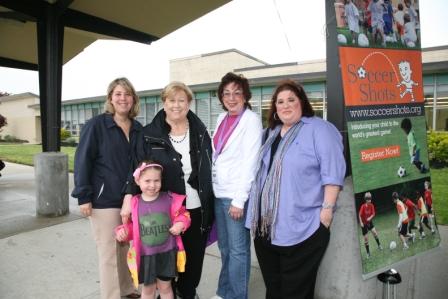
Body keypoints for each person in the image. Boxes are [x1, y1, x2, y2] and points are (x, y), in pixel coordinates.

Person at [246, 79, 346, 299]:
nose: (285, 105)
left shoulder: (319, 130)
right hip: (266, 231)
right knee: (273, 289)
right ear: (274, 108)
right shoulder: (269, 134)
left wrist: (326, 214)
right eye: (280, 101)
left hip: (303, 229)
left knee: (296, 292)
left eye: (291, 99)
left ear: (302, 101)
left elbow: (333, 173)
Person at [122, 81, 215, 299]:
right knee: (162, 260)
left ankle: (187, 291)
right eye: (171, 100)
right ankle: (167, 292)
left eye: (181, 100)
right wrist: (128, 196)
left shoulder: (200, 131)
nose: (176, 105)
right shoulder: (148, 134)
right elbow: (136, 169)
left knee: (193, 259)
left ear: (189, 103)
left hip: (196, 207)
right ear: (163, 103)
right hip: (161, 211)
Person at [71, 77, 142, 299]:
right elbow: (82, 160)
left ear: (133, 99)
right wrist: (84, 196)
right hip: (104, 200)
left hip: (130, 199)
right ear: (110, 98)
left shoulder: (138, 128)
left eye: (127, 94)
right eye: (118, 94)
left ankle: (127, 289)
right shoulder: (97, 125)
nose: (123, 98)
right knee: (109, 253)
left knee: (123, 249)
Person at [211, 72, 263, 299]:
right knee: (224, 248)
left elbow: (251, 162)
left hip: (234, 197)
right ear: (221, 97)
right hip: (218, 192)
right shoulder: (222, 118)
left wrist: (239, 200)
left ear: (245, 95)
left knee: (238, 251)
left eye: (237, 93)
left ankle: (237, 296)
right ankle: (224, 292)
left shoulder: (251, 120)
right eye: (226, 93)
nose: (231, 98)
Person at [115, 161, 191, 299]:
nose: (152, 185)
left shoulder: (169, 199)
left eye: (156, 180)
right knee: (148, 290)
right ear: (138, 181)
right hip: (146, 256)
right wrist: (123, 232)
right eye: (147, 181)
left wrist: (180, 223)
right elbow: (132, 227)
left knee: (166, 288)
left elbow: (184, 215)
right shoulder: (135, 203)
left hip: (166, 254)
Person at [358, 192, 382, 259]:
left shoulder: (371, 205)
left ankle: (379, 245)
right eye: (368, 199)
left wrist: (370, 217)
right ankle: (368, 253)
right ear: (366, 200)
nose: (370, 200)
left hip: (369, 222)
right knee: (366, 239)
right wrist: (361, 223)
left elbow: (374, 213)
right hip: (364, 224)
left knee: (375, 233)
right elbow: (359, 215)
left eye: (370, 199)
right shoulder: (363, 206)